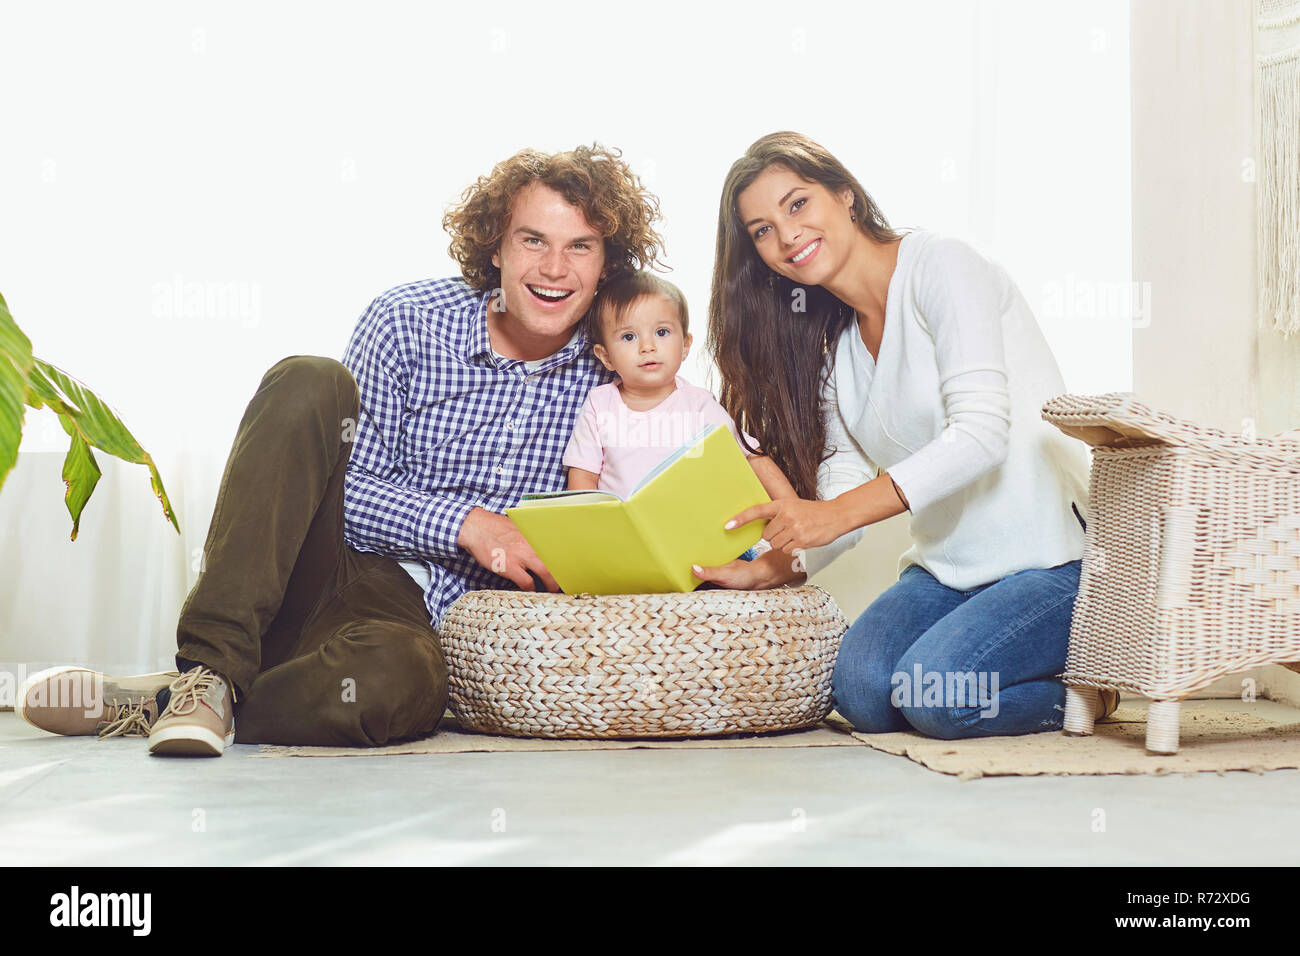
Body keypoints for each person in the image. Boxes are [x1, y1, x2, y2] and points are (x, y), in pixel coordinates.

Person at [17, 143, 665, 754]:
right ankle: (208, 669)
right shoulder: (407, 320)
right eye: (534, 241)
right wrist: (469, 525)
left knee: (401, 684)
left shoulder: (620, 367)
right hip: (328, 561)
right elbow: (351, 491)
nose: (556, 269)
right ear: (496, 245)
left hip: (411, 620)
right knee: (311, 379)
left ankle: (177, 702)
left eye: (580, 246)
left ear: (606, 262)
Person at [692, 131, 1116, 739]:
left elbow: (981, 434)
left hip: (1054, 562)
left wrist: (830, 514)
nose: (785, 236)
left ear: (846, 198)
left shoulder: (944, 265)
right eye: (760, 229)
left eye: (797, 204)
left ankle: (1082, 697)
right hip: (947, 570)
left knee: (937, 698)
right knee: (862, 694)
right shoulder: (834, 349)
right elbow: (842, 486)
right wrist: (779, 564)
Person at [562, 270, 795, 568]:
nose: (647, 347)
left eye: (662, 333)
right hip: (627, 542)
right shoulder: (599, 404)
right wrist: (590, 534)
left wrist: (791, 509)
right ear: (605, 356)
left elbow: (750, 456)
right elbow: (583, 477)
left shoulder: (697, 404)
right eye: (629, 336)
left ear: (685, 345)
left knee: (733, 562)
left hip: (698, 537)